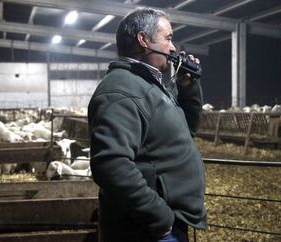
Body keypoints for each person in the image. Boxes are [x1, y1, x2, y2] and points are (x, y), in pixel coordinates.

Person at [88, 7, 207, 242]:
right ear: (143, 40)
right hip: (148, 230)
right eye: (168, 38)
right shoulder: (120, 91)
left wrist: (186, 87)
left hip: (165, 223)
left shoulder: (149, 85)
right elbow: (111, 165)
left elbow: (188, 129)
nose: (174, 48)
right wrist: (160, 217)